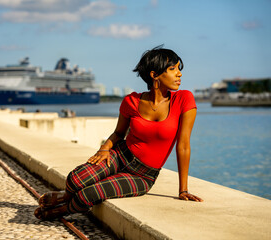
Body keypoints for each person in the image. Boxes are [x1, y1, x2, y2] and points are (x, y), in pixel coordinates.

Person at [34, 45, 203, 220]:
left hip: (142, 175)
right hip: (120, 155)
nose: (179, 74)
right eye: (172, 69)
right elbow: (118, 133)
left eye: (178, 69)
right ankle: (65, 196)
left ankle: (62, 210)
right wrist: (104, 149)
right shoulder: (131, 101)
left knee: (89, 194)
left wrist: (183, 190)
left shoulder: (184, 99)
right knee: (76, 179)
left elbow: (183, 146)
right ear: (155, 75)